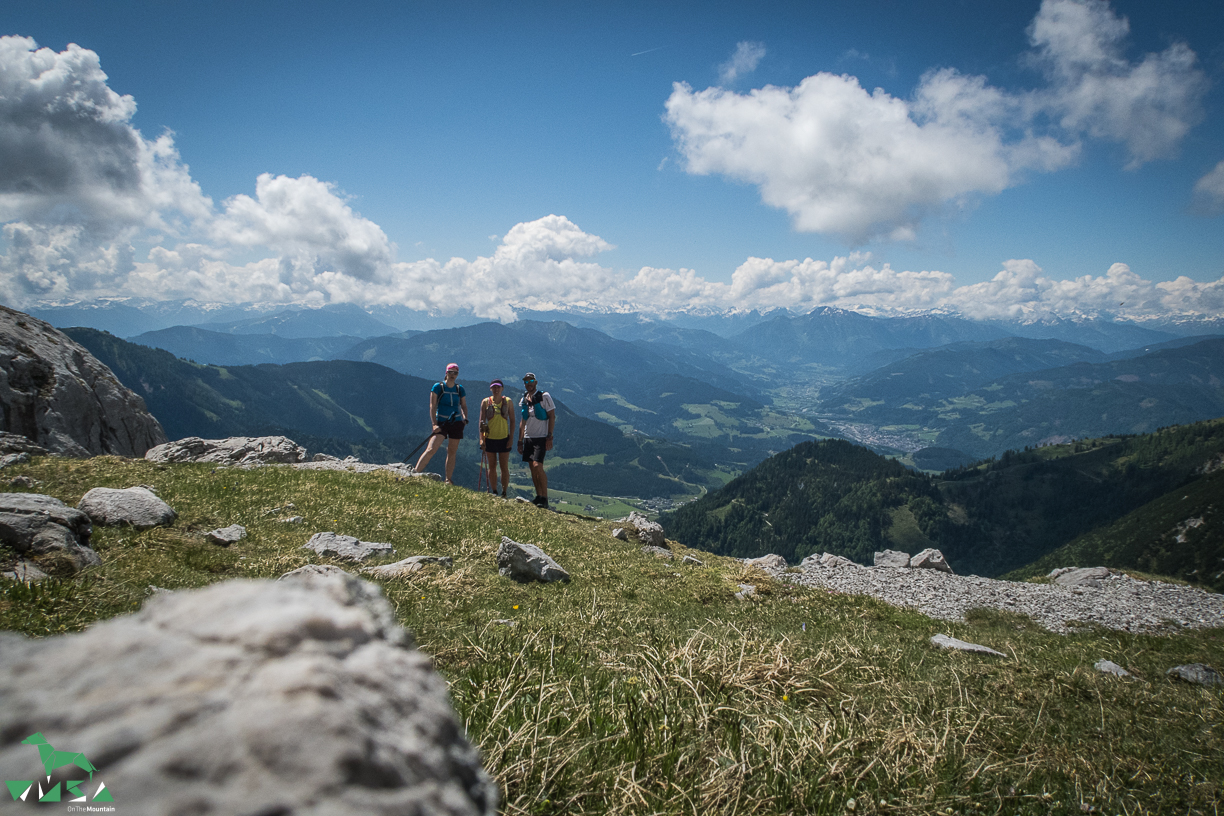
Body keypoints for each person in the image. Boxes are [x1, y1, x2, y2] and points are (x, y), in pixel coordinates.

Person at [415, 363, 467, 484]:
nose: (453, 375)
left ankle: (448, 480)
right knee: (431, 448)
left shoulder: (460, 389)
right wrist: (434, 424)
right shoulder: (438, 387)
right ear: (446, 373)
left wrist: (465, 418)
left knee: (452, 452)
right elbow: (432, 406)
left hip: (456, 422)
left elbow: (463, 405)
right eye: (450, 372)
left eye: (455, 373)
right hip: (441, 423)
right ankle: (415, 473)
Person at [516, 372, 555, 508]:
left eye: (531, 381)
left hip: (541, 437)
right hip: (528, 437)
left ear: (536, 382)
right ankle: (538, 496)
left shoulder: (544, 396)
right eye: (526, 382)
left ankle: (544, 498)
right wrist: (520, 440)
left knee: (538, 466)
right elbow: (523, 421)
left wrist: (549, 436)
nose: (529, 384)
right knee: (532, 468)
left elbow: (552, 416)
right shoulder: (524, 399)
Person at [479, 378, 515, 497]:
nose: (496, 389)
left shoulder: (508, 401)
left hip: (504, 438)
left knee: (504, 467)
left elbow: (513, 420)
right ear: (491, 389)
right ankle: (494, 491)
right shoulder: (485, 402)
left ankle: (504, 492)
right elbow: (481, 422)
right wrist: (481, 439)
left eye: (498, 387)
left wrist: (511, 438)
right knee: (492, 466)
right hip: (489, 439)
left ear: (502, 388)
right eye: (494, 387)